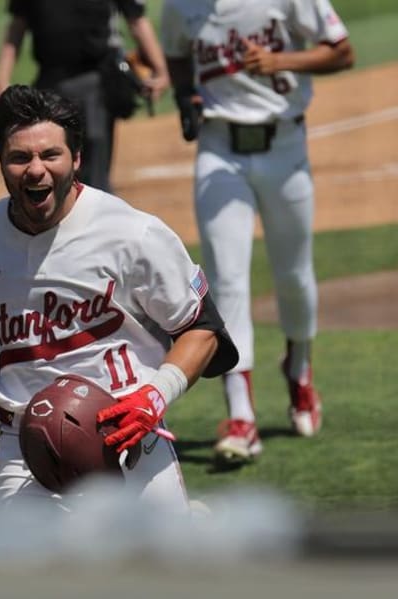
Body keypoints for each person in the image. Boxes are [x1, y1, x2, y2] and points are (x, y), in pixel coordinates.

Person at [0, 85, 238, 511]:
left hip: (127, 434)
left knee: (163, 570)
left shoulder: (132, 234)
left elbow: (203, 329)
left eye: (51, 155)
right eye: (20, 157)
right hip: (25, 446)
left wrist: (155, 395)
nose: (36, 170)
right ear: (0, 161)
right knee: (37, 574)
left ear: (77, 159)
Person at [160, 0, 355, 465]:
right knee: (226, 280)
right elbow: (175, 52)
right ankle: (241, 415)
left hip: (285, 147)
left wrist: (280, 60)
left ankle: (299, 368)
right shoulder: (180, 5)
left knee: (294, 276)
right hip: (219, 149)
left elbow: (342, 51)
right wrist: (184, 94)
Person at [0, 0, 170, 193]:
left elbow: (136, 19)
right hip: (50, 84)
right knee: (52, 164)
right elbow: (17, 27)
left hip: (94, 82)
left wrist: (161, 70)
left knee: (92, 174)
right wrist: (2, 81)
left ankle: (96, 217)